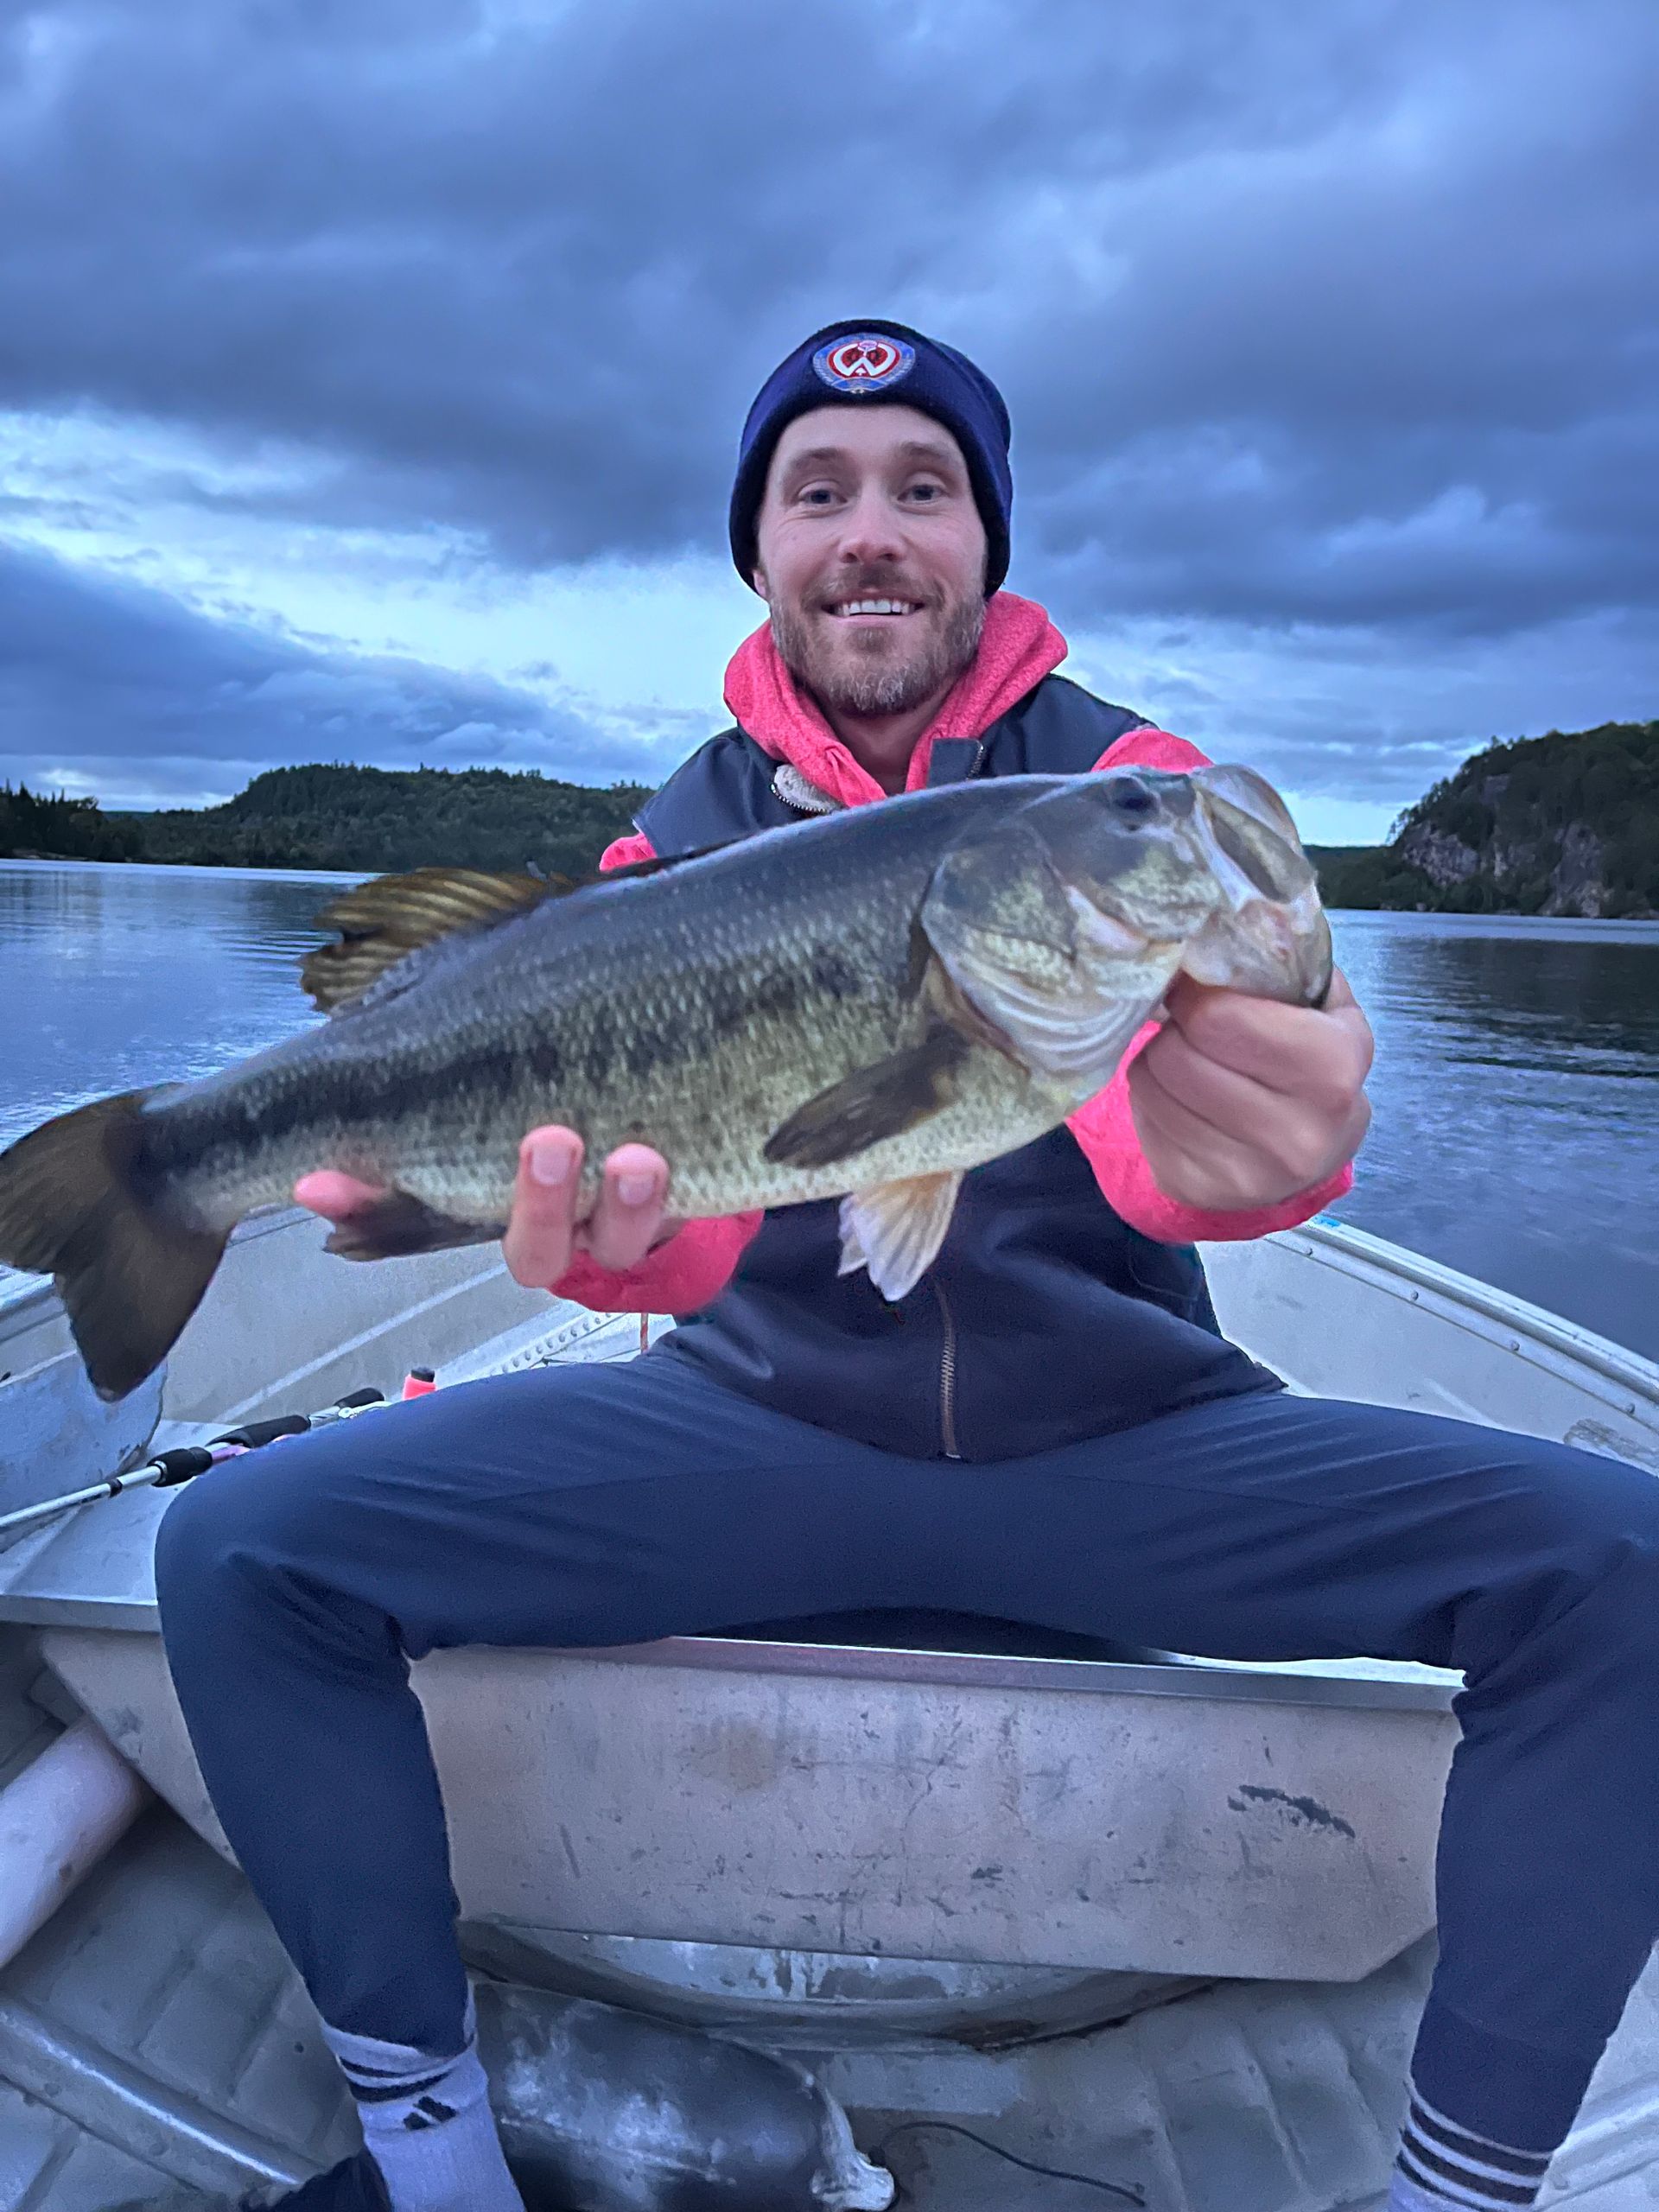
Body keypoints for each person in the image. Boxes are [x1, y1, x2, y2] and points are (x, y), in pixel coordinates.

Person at [154, 320, 1659, 2212]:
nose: (873, 529)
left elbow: (1176, 1105)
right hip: (752, 1437)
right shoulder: (663, 849)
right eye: (821, 488)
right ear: (762, 549)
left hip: (1124, 1445)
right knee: (236, 1546)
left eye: (923, 486)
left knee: (1631, 1565)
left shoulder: (1123, 789)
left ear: (986, 543)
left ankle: (1460, 2187)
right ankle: (440, 2161)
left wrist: (1256, 1139)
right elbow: (691, 1222)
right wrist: (616, 1249)